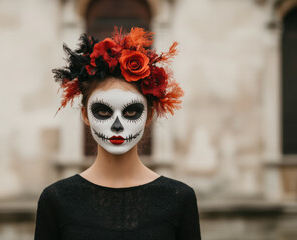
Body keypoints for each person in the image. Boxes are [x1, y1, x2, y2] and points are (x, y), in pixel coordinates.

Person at [34, 26, 202, 240]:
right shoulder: (55, 200)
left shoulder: (179, 199)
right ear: (85, 114)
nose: (117, 126)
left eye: (131, 111)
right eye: (103, 110)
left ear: (149, 116)